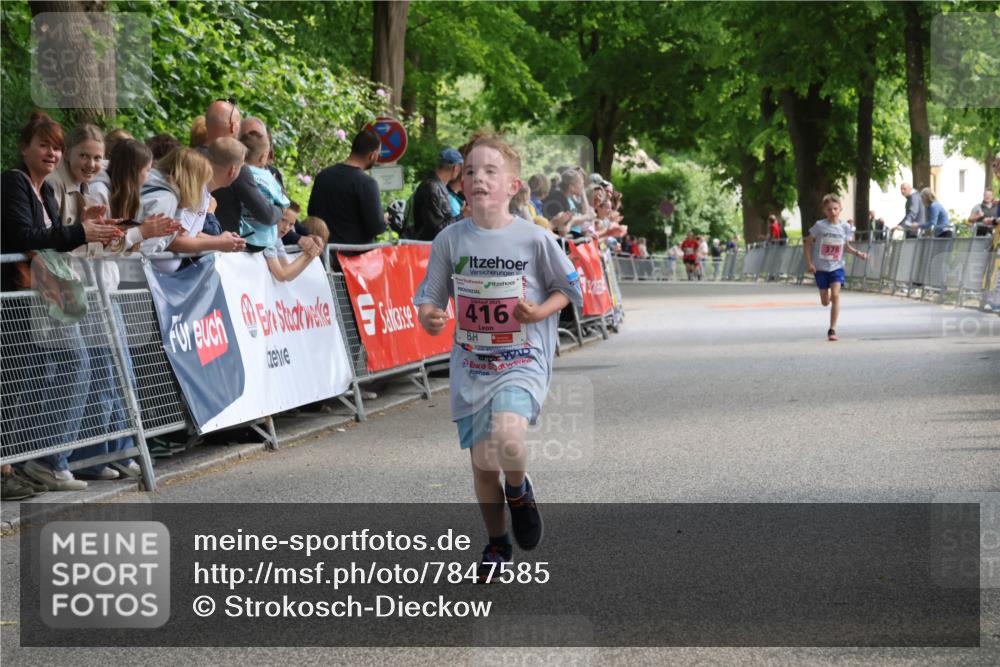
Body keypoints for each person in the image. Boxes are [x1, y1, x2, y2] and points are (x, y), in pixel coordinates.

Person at [414, 133, 582, 580]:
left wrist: (539, 310)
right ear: (462, 185)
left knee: (508, 440)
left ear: (512, 185)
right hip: (472, 364)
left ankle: (520, 490)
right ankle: (496, 540)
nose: (478, 178)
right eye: (470, 171)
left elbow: (569, 288)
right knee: (483, 465)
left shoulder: (534, 238)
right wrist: (431, 317)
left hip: (521, 359)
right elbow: (430, 298)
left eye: (490, 171)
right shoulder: (450, 240)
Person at [1, 112, 122, 492]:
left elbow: (52, 237)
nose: (52, 154)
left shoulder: (44, 190)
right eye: (44, 146)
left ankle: (27, 460)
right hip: (16, 297)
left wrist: (82, 227)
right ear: (25, 149)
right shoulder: (14, 182)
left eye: (56, 147)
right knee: (26, 377)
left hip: (42, 298)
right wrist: (79, 230)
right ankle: (34, 461)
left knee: (35, 376)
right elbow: (25, 235)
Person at [200, 99, 283, 235]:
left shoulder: (188, 156)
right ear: (233, 126)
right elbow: (266, 214)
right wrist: (281, 209)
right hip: (223, 246)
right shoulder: (236, 165)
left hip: (190, 239)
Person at [803, 194, 868, 342]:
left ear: (840, 209)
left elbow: (845, 246)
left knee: (836, 296)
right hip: (820, 268)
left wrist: (858, 253)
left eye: (835, 208)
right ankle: (828, 297)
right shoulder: (819, 226)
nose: (832, 212)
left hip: (837, 267)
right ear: (824, 211)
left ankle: (832, 329)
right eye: (829, 209)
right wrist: (809, 263)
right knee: (825, 302)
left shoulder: (845, 227)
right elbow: (807, 243)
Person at [307, 128, 386, 246]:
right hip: (354, 257)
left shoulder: (323, 176)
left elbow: (311, 213)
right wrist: (383, 220)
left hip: (323, 253)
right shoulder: (367, 184)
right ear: (372, 155)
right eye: (378, 154)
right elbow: (376, 227)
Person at [239, 131, 289, 253]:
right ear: (263, 156)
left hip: (241, 235)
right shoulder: (268, 177)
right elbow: (284, 201)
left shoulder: (236, 171)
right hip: (263, 239)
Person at [411, 148, 464, 241]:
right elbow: (438, 231)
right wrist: (463, 216)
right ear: (456, 167)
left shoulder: (435, 186)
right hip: (427, 251)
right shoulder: (432, 188)